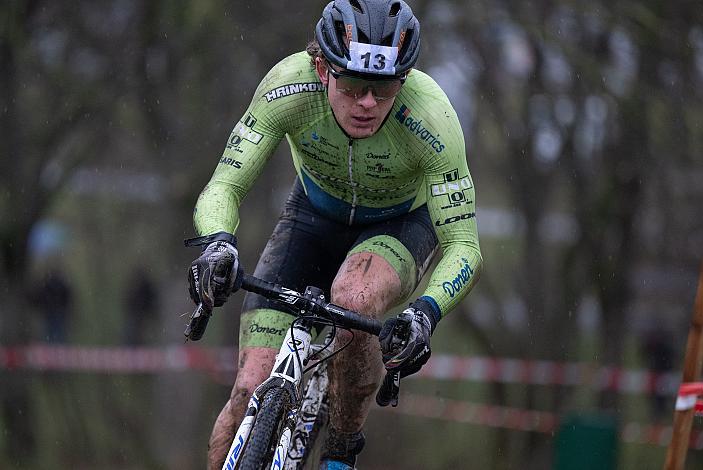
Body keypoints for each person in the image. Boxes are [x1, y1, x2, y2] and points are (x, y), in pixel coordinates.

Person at [185, 1, 482, 468]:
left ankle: (342, 444)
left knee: (355, 297)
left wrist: (425, 314)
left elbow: (464, 244)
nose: (367, 102)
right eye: (353, 85)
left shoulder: (432, 120)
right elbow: (223, 185)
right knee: (247, 388)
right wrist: (218, 243)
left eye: (383, 88)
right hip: (312, 216)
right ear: (322, 68)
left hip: (399, 224)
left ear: (403, 81)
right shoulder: (288, 87)